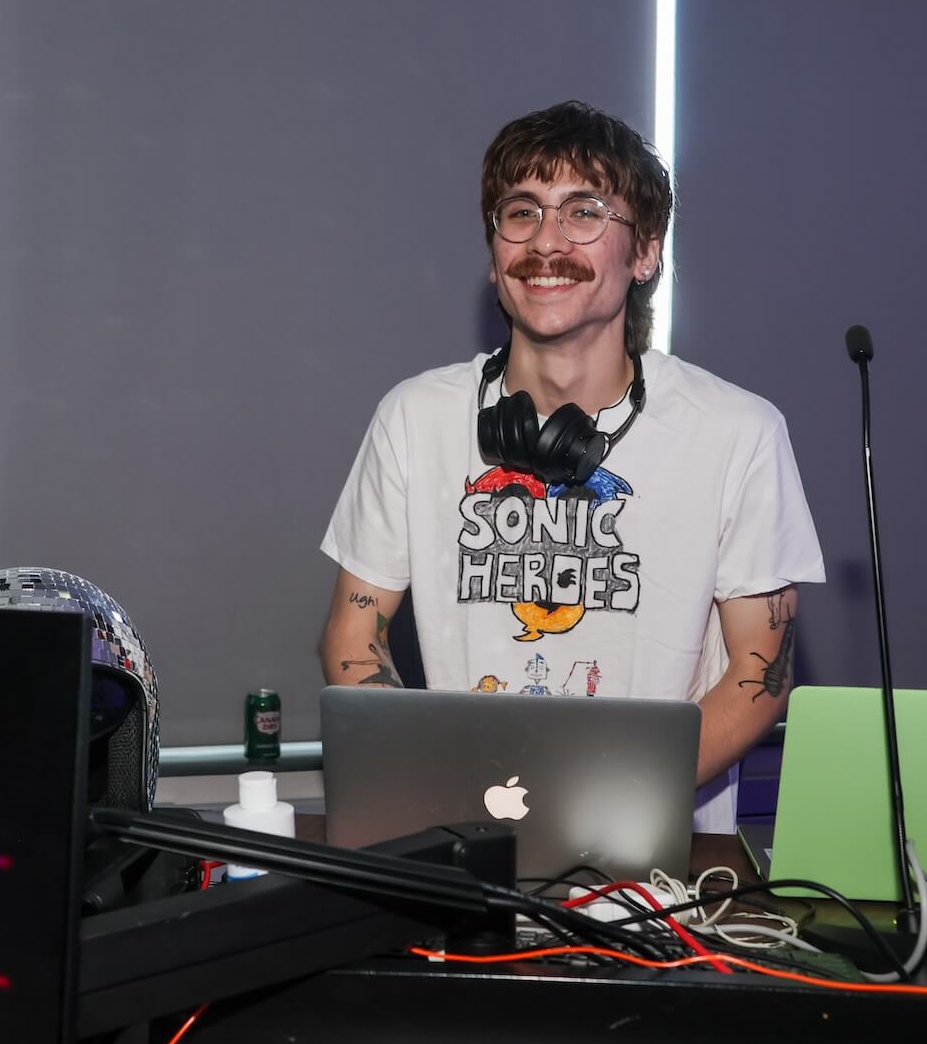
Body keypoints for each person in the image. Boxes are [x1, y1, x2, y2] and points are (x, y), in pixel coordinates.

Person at [317, 101, 824, 832]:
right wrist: (437, 793)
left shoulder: (738, 433)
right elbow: (350, 636)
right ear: (495, 256)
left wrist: (599, 803)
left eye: (584, 212)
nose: (545, 242)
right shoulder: (414, 419)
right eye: (520, 212)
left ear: (645, 250)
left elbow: (760, 677)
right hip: (467, 841)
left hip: (654, 864)